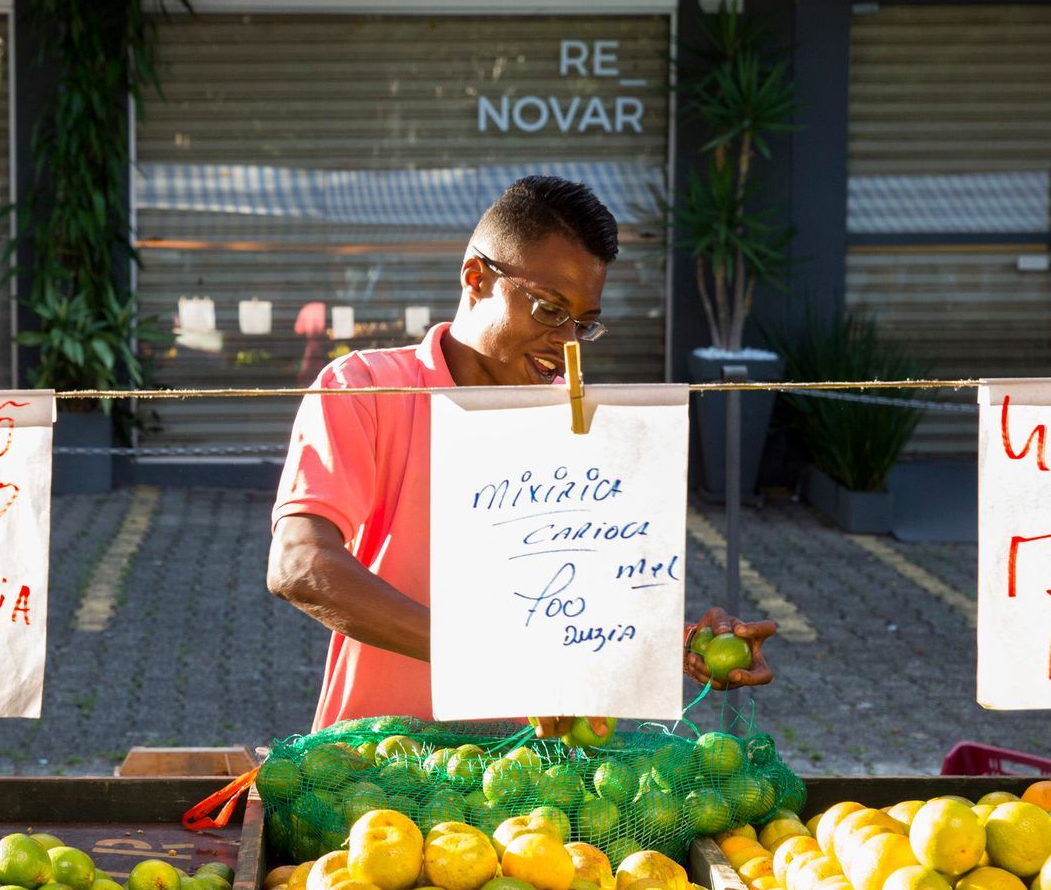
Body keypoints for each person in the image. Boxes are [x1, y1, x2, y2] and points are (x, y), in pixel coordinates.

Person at [267, 175, 775, 733]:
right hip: (370, 772)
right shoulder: (366, 386)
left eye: (584, 323)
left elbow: (583, 600)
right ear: (476, 278)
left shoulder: (578, 422)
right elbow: (300, 565)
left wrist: (683, 644)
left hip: (533, 782)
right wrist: (493, 656)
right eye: (550, 310)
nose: (569, 342)